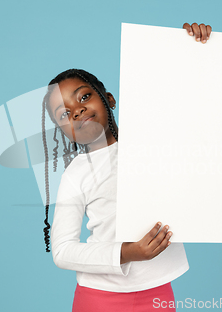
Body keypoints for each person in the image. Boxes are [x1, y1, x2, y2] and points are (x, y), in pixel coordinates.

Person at [40, 22, 212, 312]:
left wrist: (195, 47)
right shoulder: (76, 174)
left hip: (158, 292)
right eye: (64, 113)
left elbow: (190, 104)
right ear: (63, 131)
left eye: (84, 97)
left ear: (109, 100)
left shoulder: (156, 144)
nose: (77, 110)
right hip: (100, 298)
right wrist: (128, 252)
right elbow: (62, 251)